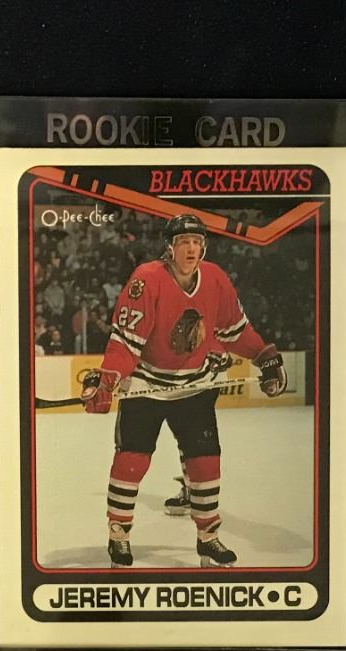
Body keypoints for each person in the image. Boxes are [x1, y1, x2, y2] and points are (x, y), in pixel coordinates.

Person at [80, 214, 286, 568]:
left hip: (194, 386)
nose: (190, 248)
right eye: (183, 242)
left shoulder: (216, 278)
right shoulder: (147, 279)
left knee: (206, 463)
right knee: (132, 461)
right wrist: (107, 378)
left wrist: (264, 356)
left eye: (196, 242)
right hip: (146, 385)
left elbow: (235, 331)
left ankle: (208, 537)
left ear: (203, 247)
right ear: (170, 247)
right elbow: (125, 343)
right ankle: (119, 535)